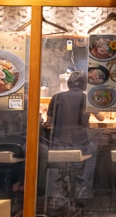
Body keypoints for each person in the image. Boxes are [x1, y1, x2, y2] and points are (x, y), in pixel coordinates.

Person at [44, 71, 105, 200]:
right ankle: (83, 190)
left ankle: (54, 193)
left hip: (59, 144)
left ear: (68, 83)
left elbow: (48, 122)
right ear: (84, 85)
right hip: (80, 144)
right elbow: (101, 118)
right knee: (93, 151)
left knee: (55, 161)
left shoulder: (56, 97)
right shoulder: (86, 98)